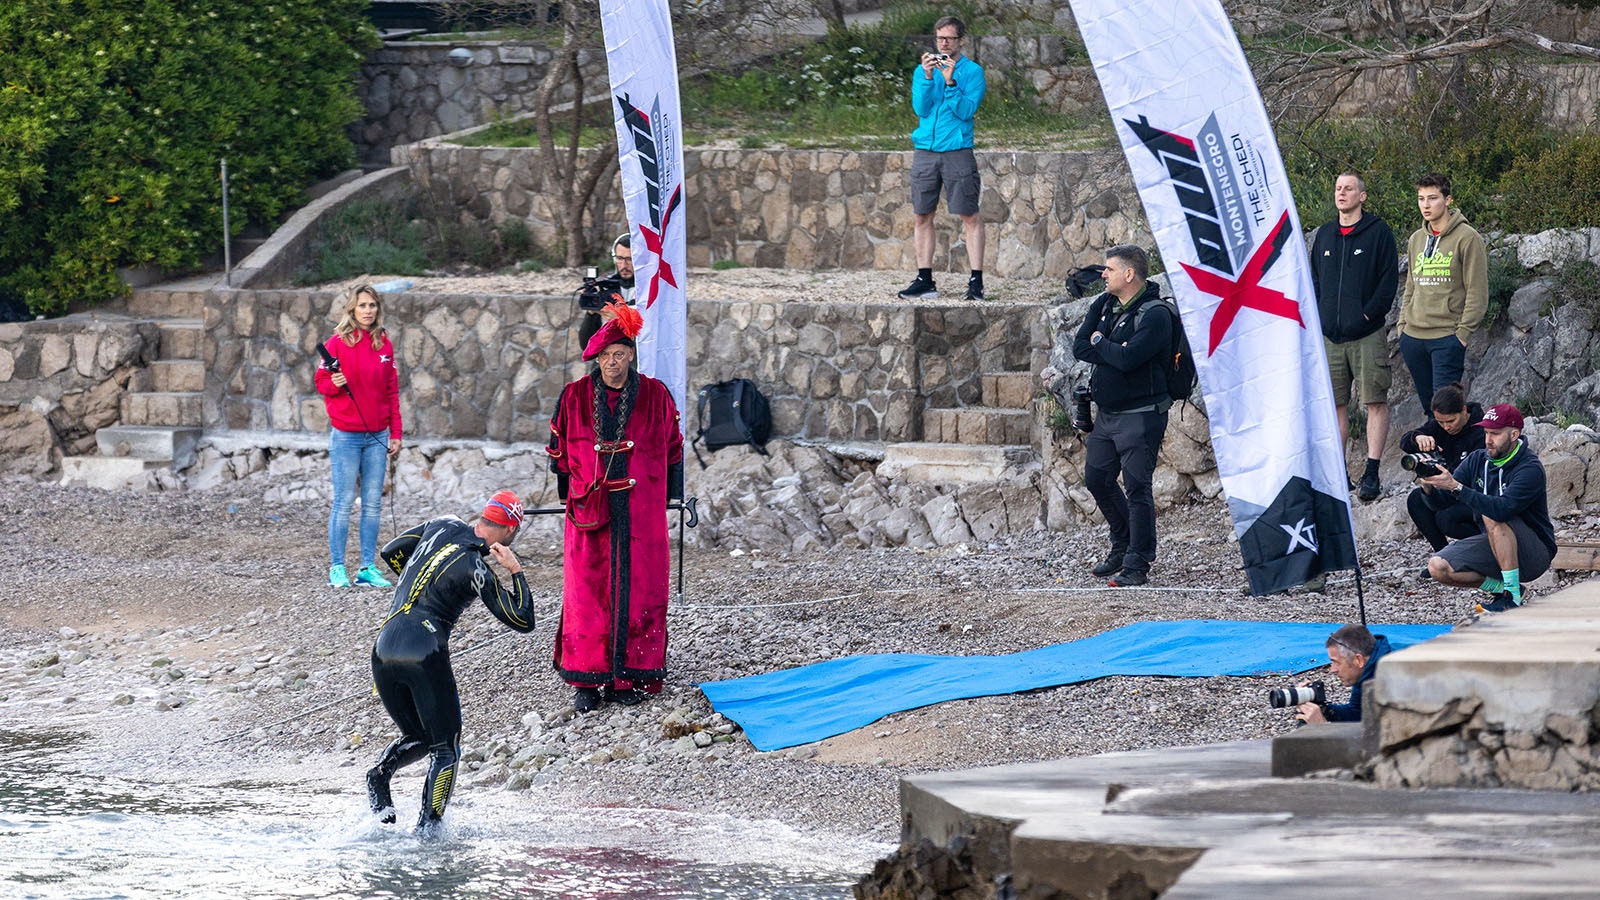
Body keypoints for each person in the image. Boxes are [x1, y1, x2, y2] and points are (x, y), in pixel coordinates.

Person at [365, 491, 534, 832]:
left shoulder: (443, 523)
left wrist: (416, 583)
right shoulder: (477, 568)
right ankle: (430, 833)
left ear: (484, 517)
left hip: (384, 645)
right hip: (423, 648)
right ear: (510, 530)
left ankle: (379, 776)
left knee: (418, 735)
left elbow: (391, 551)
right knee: (446, 749)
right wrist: (514, 569)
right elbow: (522, 619)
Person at [547, 301, 685, 712]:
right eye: (606, 356)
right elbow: (558, 453)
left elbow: (674, 450)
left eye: (620, 354)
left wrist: (670, 497)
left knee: (641, 588)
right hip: (589, 514)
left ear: (631, 355)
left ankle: (630, 676)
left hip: (642, 513)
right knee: (587, 594)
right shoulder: (573, 397)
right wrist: (566, 497)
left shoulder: (656, 396)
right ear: (597, 358)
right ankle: (587, 680)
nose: (613, 363)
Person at [1071, 245, 1173, 587]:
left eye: (1109, 269)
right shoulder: (1104, 305)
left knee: (1137, 487)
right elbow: (1080, 347)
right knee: (1097, 480)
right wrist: (1111, 347)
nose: (1103, 274)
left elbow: (1130, 360)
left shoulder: (1155, 314)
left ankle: (1138, 562)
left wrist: (1105, 346)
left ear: (1129, 274)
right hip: (1108, 414)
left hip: (1142, 415)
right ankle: (1122, 543)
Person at [1309, 171, 1400, 502]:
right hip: (1330, 338)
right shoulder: (1324, 235)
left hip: (1366, 335)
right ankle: (1339, 472)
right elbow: (1314, 280)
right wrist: (1321, 316)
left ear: (1362, 196)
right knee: (1335, 405)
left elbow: (1388, 282)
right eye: (1337, 188)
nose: (1341, 193)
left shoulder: (1378, 234)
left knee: (1375, 401)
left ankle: (1372, 472)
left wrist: (1366, 314)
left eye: (1348, 188)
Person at [1421, 403, 1557, 613]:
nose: (1488, 440)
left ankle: (1512, 597)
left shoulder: (1530, 467)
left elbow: (1502, 509)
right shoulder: (1478, 459)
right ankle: (1505, 589)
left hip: (1535, 553)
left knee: (1492, 512)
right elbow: (1443, 503)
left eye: (1495, 433)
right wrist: (1429, 485)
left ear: (1514, 434)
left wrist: (1457, 487)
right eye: (1485, 432)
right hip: (1495, 543)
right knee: (1437, 568)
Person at [315, 283, 403, 589]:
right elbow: (321, 382)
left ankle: (367, 567)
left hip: (377, 435)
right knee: (343, 502)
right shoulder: (337, 344)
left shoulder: (384, 345)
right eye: (362, 305)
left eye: (372, 305)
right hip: (346, 437)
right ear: (352, 309)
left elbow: (392, 391)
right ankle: (337, 567)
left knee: (373, 505)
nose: (368, 310)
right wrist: (334, 382)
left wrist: (396, 432)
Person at [897, 15, 987, 302]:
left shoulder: (972, 72)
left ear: (961, 40)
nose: (943, 43)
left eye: (949, 38)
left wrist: (950, 83)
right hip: (926, 149)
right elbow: (920, 109)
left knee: (969, 215)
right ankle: (924, 280)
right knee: (922, 214)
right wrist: (927, 77)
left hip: (957, 149)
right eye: (939, 38)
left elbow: (966, 111)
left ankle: (976, 283)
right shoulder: (922, 71)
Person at [1396, 172, 1488, 413]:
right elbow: (1411, 286)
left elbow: (1477, 292)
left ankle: (1456, 452)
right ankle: (1433, 451)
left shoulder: (1468, 238)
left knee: (1448, 409)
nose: (1425, 205)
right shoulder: (1417, 239)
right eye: (1421, 198)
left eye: (1433, 198)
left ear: (1448, 200)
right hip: (1413, 338)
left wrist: (1462, 335)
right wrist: (1402, 326)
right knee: (1429, 409)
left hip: (1447, 338)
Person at [1399, 383, 1485, 553]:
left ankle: (1486, 549)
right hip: (1446, 488)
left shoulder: (1481, 432)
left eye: (1451, 421)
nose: (1446, 427)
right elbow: (1405, 442)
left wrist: (1445, 473)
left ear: (1464, 410)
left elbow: (1471, 474)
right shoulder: (1437, 427)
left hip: (1474, 493)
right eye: (1441, 422)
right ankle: (1442, 554)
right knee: (1416, 499)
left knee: (1446, 519)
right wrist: (1418, 438)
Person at [1295, 625, 1392, 724]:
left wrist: (1321, 726)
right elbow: (1358, 713)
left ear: (1358, 660)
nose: (1332, 670)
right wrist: (1323, 709)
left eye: (1336, 662)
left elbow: (1387, 736)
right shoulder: (1366, 669)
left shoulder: (1392, 682)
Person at [578, 233, 635, 350]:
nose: (624, 265)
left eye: (630, 259)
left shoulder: (651, 290)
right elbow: (586, 345)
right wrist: (591, 312)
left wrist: (620, 319)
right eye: (619, 258)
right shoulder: (607, 287)